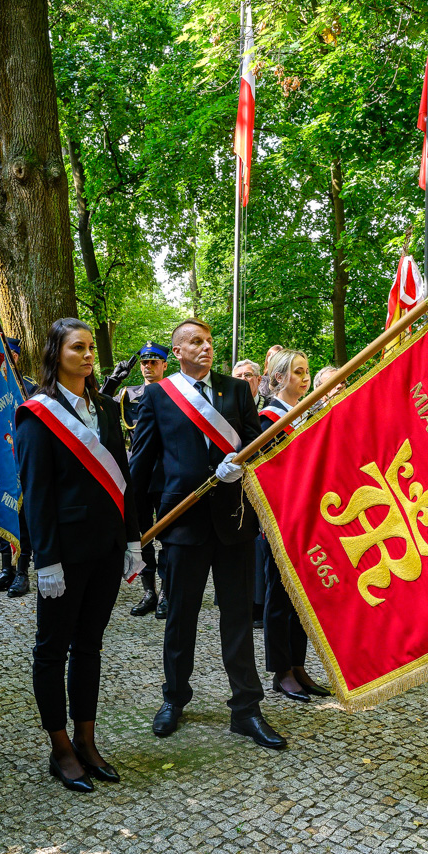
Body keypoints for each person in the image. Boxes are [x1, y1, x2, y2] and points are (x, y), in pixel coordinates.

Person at [130, 317, 286, 749]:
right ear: (176, 352)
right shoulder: (159, 395)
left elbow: (258, 448)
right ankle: (174, 698)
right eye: (194, 342)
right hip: (182, 526)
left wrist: (242, 467)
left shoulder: (236, 391)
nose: (205, 348)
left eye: (209, 342)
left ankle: (246, 709)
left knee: (237, 617)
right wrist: (134, 534)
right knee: (180, 619)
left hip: (233, 523)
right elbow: (140, 468)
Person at [16, 318, 142, 792]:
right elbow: (38, 493)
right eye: (78, 348)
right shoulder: (37, 413)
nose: (89, 356)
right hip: (64, 556)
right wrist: (44, 560)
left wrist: (132, 540)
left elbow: (123, 480)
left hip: (107, 549)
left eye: (91, 348)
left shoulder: (108, 409)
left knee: (89, 645)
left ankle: (88, 741)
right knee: (51, 649)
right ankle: (61, 747)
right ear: (56, 354)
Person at [259, 349, 331, 702]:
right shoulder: (267, 419)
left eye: (307, 371)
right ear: (279, 377)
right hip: (281, 518)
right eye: (298, 372)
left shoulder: (304, 415)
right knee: (278, 597)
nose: (305, 377)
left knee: (300, 598)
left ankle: (299, 665)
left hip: (308, 517)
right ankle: (281, 671)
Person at [103, 341, 169, 619]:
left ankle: (167, 591)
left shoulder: (174, 392)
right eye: (145, 362)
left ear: (165, 364)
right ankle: (148, 591)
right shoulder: (128, 395)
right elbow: (100, 405)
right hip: (136, 473)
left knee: (168, 534)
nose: (148, 366)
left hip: (166, 472)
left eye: (154, 362)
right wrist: (112, 381)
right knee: (140, 535)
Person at [0, 336, 38, 598]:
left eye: (9, 354)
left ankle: (22, 573)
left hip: (23, 461)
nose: (4, 358)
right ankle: (6, 571)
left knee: (22, 518)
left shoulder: (31, 387)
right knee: (2, 511)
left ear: (16, 356)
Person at [233, 358, 270, 627]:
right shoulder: (224, 410)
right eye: (239, 376)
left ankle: (262, 602)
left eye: (249, 375)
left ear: (259, 380)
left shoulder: (270, 411)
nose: (245, 380)